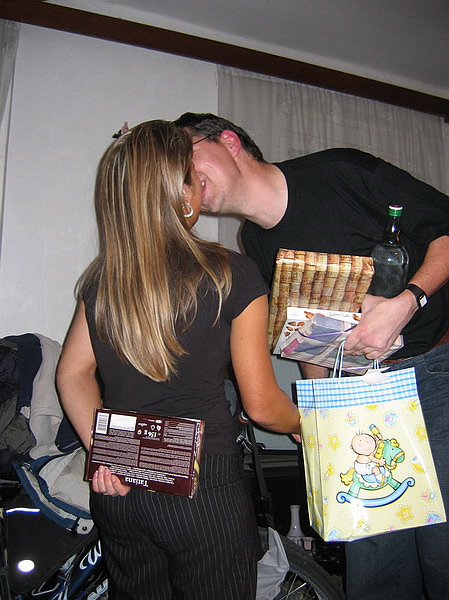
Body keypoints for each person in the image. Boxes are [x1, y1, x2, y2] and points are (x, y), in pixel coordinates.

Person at [173, 112, 449, 600]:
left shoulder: (339, 173)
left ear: (229, 141)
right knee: (375, 563)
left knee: (442, 551)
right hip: (357, 399)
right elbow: (308, 337)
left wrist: (408, 302)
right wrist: (321, 418)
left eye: (185, 153)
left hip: (432, 373)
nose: (181, 175)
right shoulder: (254, 242)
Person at [56, 120, 301, 600]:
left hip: (121, 490)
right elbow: (262, 405)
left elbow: (73, 373)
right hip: (202, 492)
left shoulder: (105, 279)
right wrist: (304, 425)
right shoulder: (232, 273)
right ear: (180, 192)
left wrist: (103, 452)